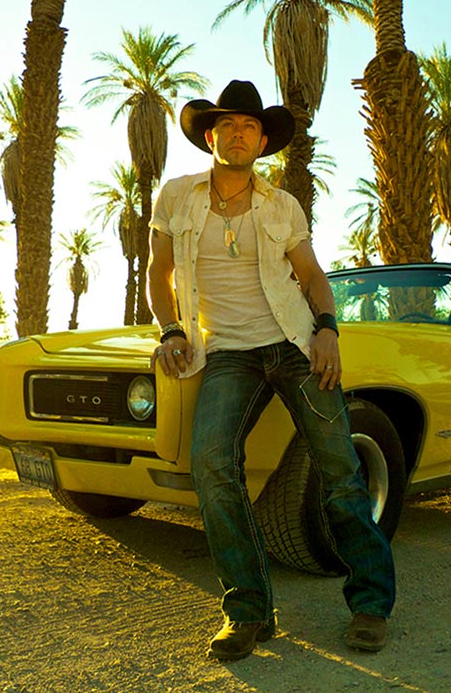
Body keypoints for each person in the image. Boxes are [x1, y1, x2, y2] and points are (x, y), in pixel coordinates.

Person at [146, 80, 395, 661]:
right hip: (227, 353)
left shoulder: (282, 204)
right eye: (229, 125)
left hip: (295, 346)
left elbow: (310, 277)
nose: (239, 134)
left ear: (262, 142)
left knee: (340, 470)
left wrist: (328, 330)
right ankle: (249, 610)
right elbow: (160, 275)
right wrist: (171, 331)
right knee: (211, 464)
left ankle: (370, 604)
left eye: (250, 127)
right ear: (211, 135)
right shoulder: (177, 197)